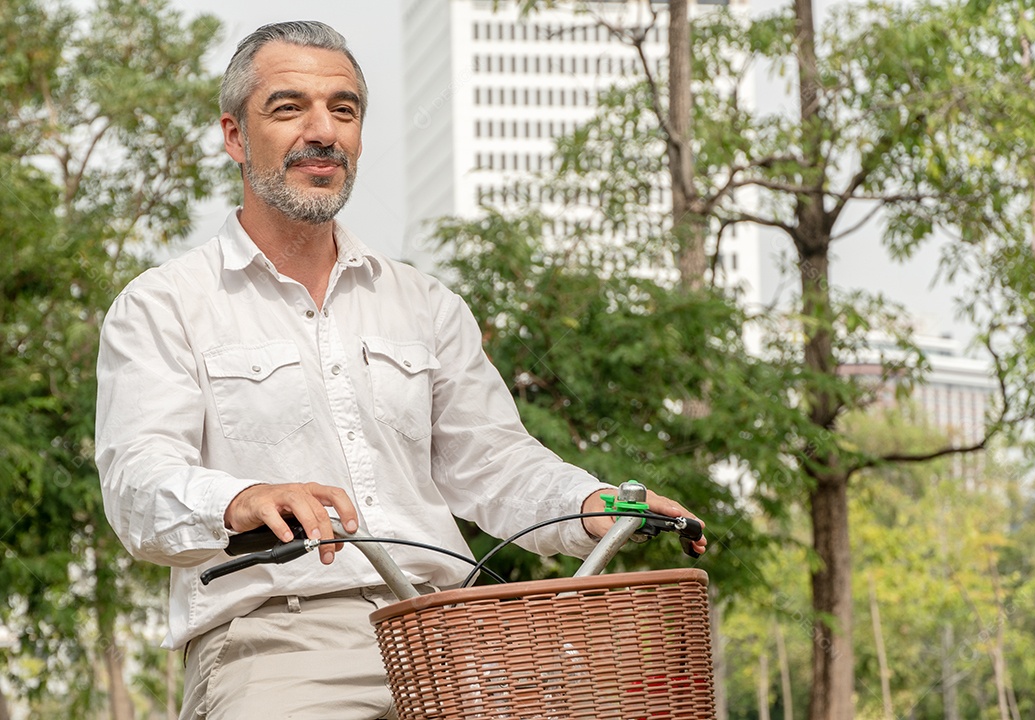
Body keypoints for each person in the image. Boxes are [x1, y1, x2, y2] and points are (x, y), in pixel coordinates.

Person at [95, 20, 705, 720]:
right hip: (278, 646)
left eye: (344, 109)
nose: (322, 130)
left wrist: (593, 503)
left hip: (454, 639)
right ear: (235, 136)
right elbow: (138, 483)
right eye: (289, 107)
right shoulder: (164, 304)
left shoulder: (426, 304)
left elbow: (496, 464)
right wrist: (240, 499)